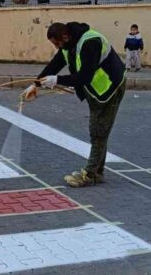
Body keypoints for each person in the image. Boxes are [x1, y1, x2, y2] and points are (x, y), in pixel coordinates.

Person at [22, 22, 126, 188]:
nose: (57, 47)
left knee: (98, 131)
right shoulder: (69, 43)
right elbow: (55, 64)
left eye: (57, 44)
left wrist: (57, 80)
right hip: (96, 90)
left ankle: (89, 174)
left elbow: (84, 76)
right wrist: (36, 84)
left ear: (65, 37)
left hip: (110, 87)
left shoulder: (90, 43)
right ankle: (98, 172)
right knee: (100, 130)